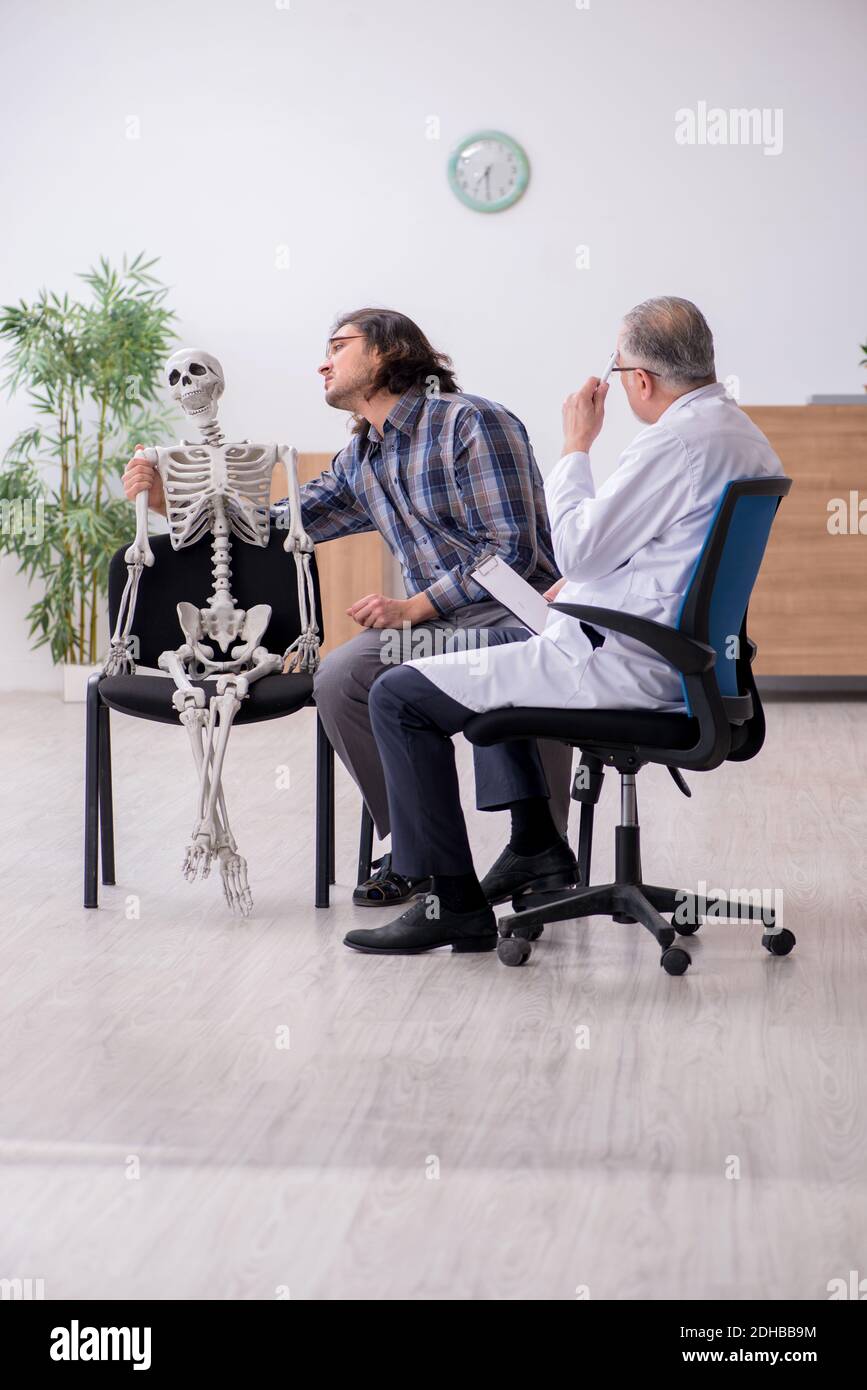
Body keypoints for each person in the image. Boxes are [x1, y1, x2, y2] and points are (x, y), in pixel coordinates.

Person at [343, 296, 783, 955]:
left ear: (638, 380)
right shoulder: (740, 435)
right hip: (675, 661)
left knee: (399, 695)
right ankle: (535, 850)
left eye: (615, 367)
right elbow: (667, 554)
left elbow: (577, 546)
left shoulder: (673, 441)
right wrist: (579, 586)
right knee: (490, 660)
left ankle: (451, 906)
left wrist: (575, 445)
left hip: (623, 665)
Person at [121, 308, 575, 908]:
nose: (322, 361)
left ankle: (534, 847)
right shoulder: (363, 456)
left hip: (516, 615)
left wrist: (415, 606)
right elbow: (273, 525)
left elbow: (511, 553)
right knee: (342, 675)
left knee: (473, 661)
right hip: (438, 624)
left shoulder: (473, 422)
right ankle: (419, 850)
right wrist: (163, 504)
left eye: (339, 346)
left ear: (387, 354)